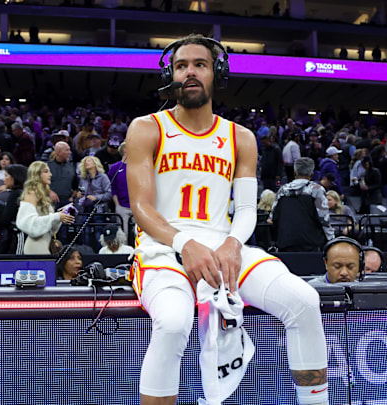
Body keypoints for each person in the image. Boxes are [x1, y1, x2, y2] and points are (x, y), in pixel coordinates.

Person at [126, 35, 328, 405]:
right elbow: (141, 208)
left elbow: (248, 210)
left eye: (199, 64)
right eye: (181, 65)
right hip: (163, 248)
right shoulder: (147, 128)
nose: (189, 72)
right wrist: (185, 243)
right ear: (170, 74)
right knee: (173, 323)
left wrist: (234, 244)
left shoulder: (241, 137)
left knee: (304, 300)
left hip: (223, 243)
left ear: (216, 73)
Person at [271, 157, 334, 251]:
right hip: (311, 244)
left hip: (285, 242)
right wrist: (331, 239)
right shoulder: (317, 190)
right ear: (312, 174)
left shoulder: (282, 190)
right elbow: (324, 218)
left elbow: (273, 216)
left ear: (294, 173)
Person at [16, 161, 75, 254]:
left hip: (46, 244)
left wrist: (61, 217)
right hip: (35, 247)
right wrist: (56, 216)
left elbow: (50, 229)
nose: (50, 175)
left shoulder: (42, 195)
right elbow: (29, 224)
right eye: (46, 171)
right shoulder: (31, 193)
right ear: (37, 174)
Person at [0, 164, 28, 254]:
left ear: (15, 177)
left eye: (6, 175)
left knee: (18, 263)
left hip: (19, 235)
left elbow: (6, 218)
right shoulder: (22, 192)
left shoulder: (16, 194)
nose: (4, 179)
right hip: (18, 235)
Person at [48, 140, 78, 209]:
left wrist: (72, 197)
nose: (69, 152)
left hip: (67, 202)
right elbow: (39, 183)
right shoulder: (47, 167)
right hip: (50, 202)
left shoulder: (71, 167)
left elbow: (75, 185)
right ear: (58, 152)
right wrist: (49, 192)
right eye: (67, 150)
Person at [109, 142, 131, 235]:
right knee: (123, 234)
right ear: (125, 150)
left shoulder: (138, 166)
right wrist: (117, 205)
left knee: (139, 235)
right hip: (122, 206)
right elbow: (112, 188)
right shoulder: (115, 168)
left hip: (137, 206)